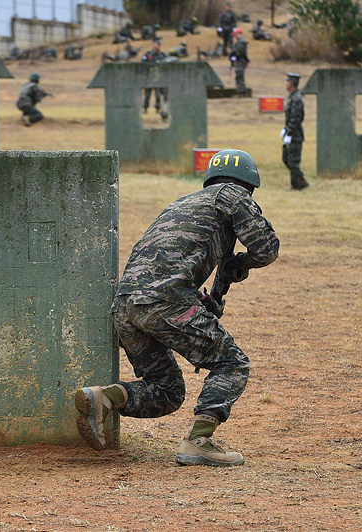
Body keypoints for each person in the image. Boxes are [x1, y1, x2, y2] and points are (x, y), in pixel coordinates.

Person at [74, 148, 280, 467]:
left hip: (126, 306)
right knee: (232, 363)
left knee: (167, 391)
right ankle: (199, 441)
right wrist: (244, 262)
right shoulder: (233, 195)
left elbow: (174, 264)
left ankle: (104, 397)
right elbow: (266, 249)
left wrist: (212, 295)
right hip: (165, 301)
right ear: (249, 184)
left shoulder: (183, 204)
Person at [282, 72, 309, 190]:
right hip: (291, 133)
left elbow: (296, 118)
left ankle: (296, 185)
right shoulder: (292, 96)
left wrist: (288, 131)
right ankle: (301, 180)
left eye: (287, 81)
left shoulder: (296, 98)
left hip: (295, 134)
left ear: (291, 83)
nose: (286, 83)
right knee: (286, 158)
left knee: (294, 161)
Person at [141, 39, 168, 119]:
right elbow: (142, 61)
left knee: (158, 94)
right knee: (147, 94)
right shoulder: (148, 54)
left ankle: (158, 108)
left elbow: (166, 63)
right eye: (156, 44)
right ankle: (145, 108)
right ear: (153, 45)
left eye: (159, 45)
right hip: (149, 77)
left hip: (158, 77)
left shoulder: (162, 55)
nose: (157, 46)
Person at [229, 28, 249, 97]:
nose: (234, 36)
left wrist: (234, 55)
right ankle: (241, 92)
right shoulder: (239, 42)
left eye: (235, 35)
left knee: (239, 76)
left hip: (241, 61)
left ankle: (241, 92)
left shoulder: (242, 42)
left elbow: (240, 52)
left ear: (239, 34)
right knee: (239, 76)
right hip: (239, 61)